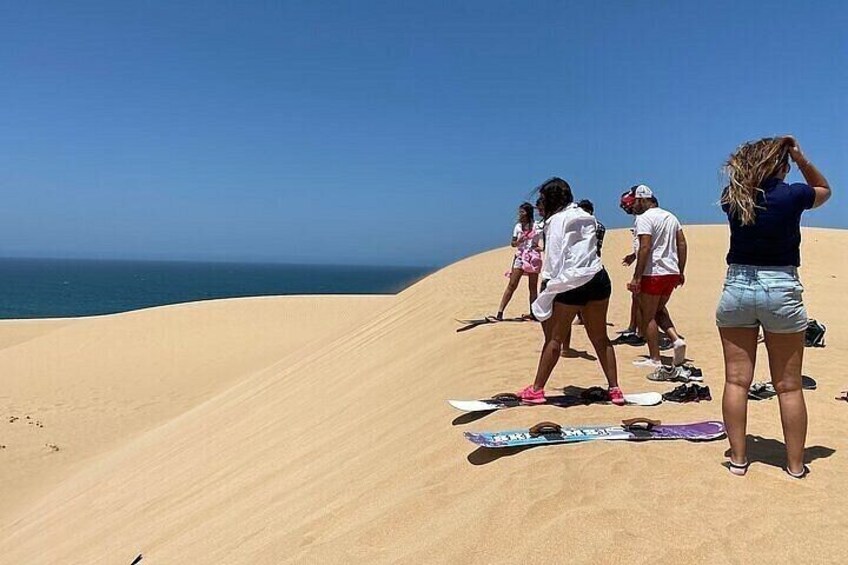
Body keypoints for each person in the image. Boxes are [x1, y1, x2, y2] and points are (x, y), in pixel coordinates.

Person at [717, 136, 831, 478]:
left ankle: (738, 459)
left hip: (737, 286)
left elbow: (746, 188)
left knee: (736, 381)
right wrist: (801, 158)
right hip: (780, 287)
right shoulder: (793, 194)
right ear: (781, 164)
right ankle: (795, 465)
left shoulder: (733, 197)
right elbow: (824, 189)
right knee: (789, 385)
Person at [516, 178, 624, 405]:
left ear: (551, 199)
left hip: (570, 283)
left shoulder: (556, 220)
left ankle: (536, 389)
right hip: (598, 278)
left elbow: (554, 257)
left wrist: (547, 287)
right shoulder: (587, 217)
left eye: (543, 199)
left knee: (554, 338)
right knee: (600, 338)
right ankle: (615, 389)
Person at [628, 185, 688, 372]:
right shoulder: (671, 217)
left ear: (644, 200)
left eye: (636, 201)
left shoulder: (644, 219)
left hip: (653, 272)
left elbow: (645, 247)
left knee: (647, 315)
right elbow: (682, 243)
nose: (633, 205)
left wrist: (637, 277)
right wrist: (680, 270)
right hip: (670, 271)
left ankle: (655, 357)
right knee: (658, 309)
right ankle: (676, 339)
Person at [495, 203, 542, 320]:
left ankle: (534, 313)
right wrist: (519, 241)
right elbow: (513, 243)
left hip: (533, 257)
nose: (520, 214)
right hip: (521, 256)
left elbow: (546, 237)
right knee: (512, 284)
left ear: (528, 213)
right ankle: (500, 312)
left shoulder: (537, 226)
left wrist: (541, 248)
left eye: (522, 212)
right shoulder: (518, 227)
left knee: (532, 287)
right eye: (519, 212)